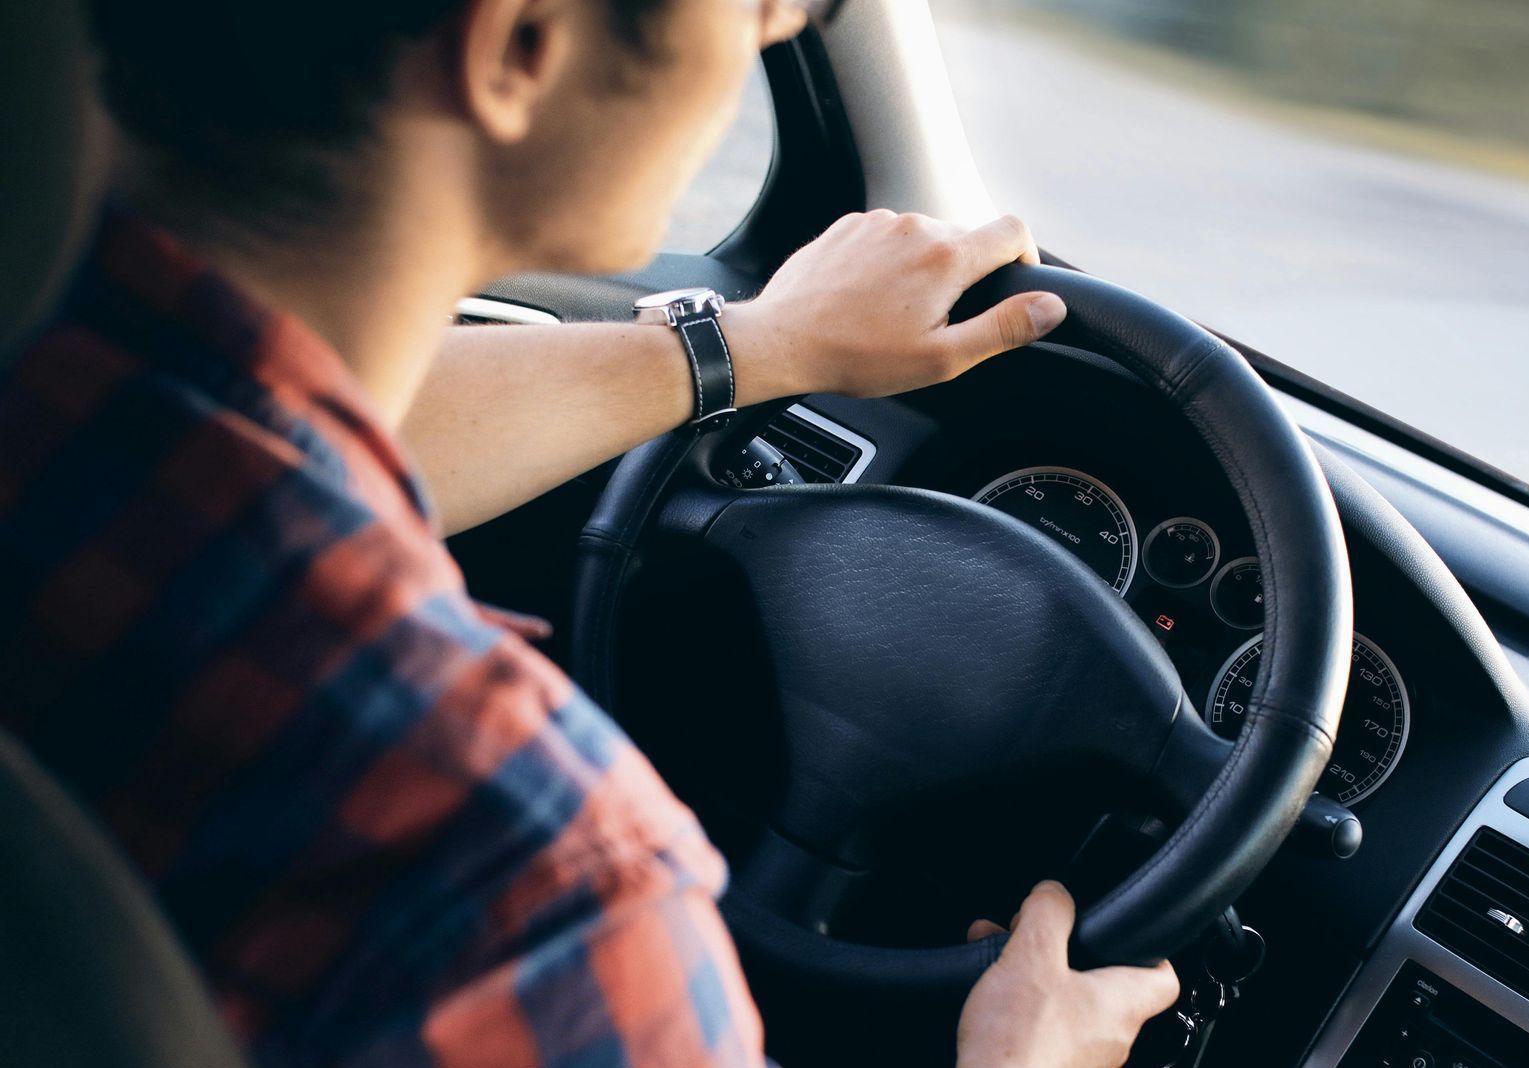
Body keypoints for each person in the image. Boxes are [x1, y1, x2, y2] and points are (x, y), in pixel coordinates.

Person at [0, 0, 1179, 1066]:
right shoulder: (533, 895)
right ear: (520, 45)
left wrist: (758, 345)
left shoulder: (61, 384)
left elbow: (299, 422)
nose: (776, 24)